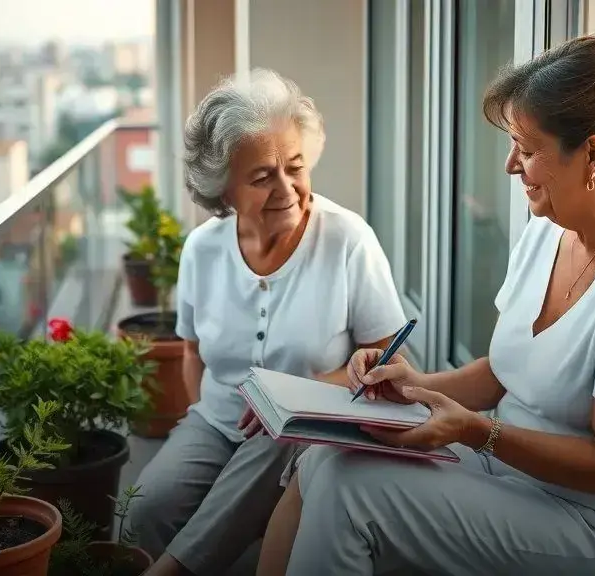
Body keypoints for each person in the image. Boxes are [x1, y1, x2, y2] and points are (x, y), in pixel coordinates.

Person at [256, 27, 595, 576]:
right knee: (326, 459)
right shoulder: (552, 227)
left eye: (527, 149)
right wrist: (411, 386)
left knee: (349, 490)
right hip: (509, 475)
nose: (510, 166)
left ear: (594, 154)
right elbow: (502, 373)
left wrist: (475, 430)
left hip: (592, 523)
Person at [132, 69, 407, 576]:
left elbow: (391, 360)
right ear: (224, 190)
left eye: (295, 168)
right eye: (262, 177)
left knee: (275, 446)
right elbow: (192, 353)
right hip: (217, 419)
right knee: (146, 510)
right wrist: (202, 422)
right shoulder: (202, 250)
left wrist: (292, 395)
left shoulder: (348, 239)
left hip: (304, 423)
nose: (286, 188)